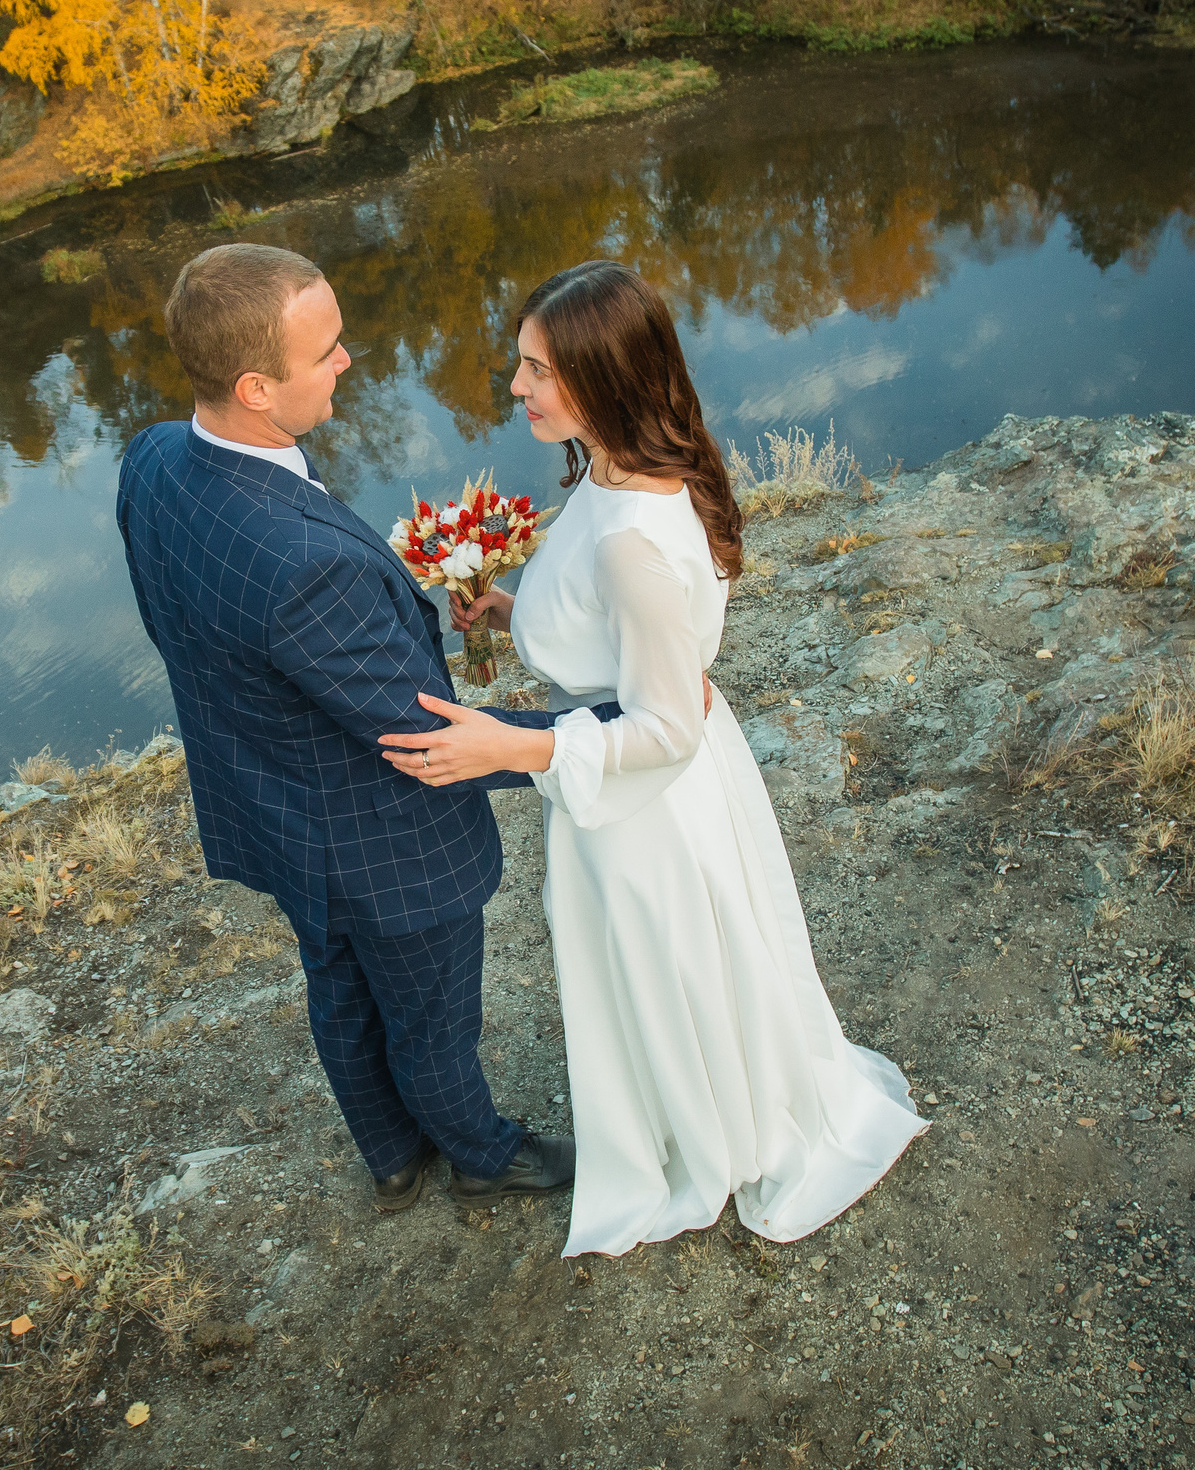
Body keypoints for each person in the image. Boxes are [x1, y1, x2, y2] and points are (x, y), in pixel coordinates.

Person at [380, 259, 927, 1257]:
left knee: (667, 966)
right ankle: (692, 1111)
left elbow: (666, 724)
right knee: (666, 970)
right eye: (521, 365)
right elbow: (626, 637)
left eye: (538, 370)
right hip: (631, 781)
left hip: (645, 806)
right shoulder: (613, 470)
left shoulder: (632, 535)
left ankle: (712, 1136)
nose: (516, 387)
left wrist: (518, 744)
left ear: (606, 377)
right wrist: (513, 611)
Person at [117, 243, 604, 1212]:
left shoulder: (156, 459)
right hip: (379, 840)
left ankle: (388, 1153)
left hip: (271, 806)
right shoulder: (300, 562)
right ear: (256, 388)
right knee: (428, 1017)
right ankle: (478, 1153)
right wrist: (592, 731)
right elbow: (422, 732)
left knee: (336, 983)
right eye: (327, 351)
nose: (349, 361)